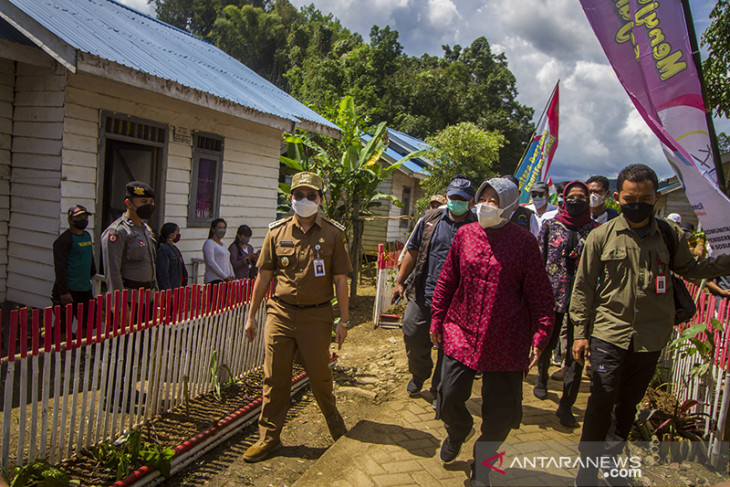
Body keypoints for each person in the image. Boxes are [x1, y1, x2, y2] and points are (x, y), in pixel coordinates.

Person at [571, 164, 730, 486]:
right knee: (601, 402)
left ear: (657, 198)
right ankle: (586, 474)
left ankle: (613, 467)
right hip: (609, 333)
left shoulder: (670, 236)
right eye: (630, 198)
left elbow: (692, 268)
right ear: (617, 198)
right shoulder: (601, 236)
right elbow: (583, 287)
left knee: (627, 407)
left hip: (651, 338)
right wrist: (579, 334)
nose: (637, 203)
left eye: (645, 197)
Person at [429, 177, 554, 485]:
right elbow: (447, 280)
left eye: (494, 200)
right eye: (482, 198)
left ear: (510, 205)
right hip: (462, 330)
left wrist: (540, 335)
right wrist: (436, 318)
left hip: (506, 338)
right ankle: (458, 430)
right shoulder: (465, 235)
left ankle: (483, 467)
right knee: (448, 396)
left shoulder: (525, 242)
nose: (485, 204)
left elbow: (539, 293)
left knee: (500, 414)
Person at [242, 171, 352, 463]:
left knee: (319, 377)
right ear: (291, 198)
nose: (304, 200)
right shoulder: (276, 233)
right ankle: (269, 438)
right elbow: (264, 276)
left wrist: (344, 320)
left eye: (311, 195)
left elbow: (341, 280)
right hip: (280, 312)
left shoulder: (333, 233)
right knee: (274, 378)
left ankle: (335, 425)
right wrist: (251, 315)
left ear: (321, 199)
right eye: (299, 195)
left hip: (317, 317)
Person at [391, 175, 477, 399]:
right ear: (447, 196)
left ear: (471, 201)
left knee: (448, 348)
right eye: (453, 197)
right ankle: (420, 373)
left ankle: (438, 389)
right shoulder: (430, 219)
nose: (456, 202)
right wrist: (400, 282)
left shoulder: (477, 226)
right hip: (424, 293)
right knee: (411, 332)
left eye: (462, 199)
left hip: (457, 301)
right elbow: (413, 250)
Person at [535, 182, 600, 427]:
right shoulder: (550, 226)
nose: (576, 201)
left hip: (583, 301)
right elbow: (539, 261)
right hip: (551, 296)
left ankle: (566, 404)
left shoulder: (596, 230)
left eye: (581, 197)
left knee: (577, 352)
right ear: (563, 199)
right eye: (571, 197)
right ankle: (541, 378)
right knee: (548, 341)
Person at [102, 181, 157, 298]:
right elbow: (113, 273)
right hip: (130, 300)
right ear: (129, 203)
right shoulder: (118, 231)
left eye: (151, 202)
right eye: (143, 202)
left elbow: (151, 265)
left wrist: (156, 294)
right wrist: (119, 306)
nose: (149, 205)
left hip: (148, 298)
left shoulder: (146, 230)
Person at [52, 205, 97, 336]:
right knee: (64, 325)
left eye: (85, 216)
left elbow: (89, 256)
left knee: (88, 323)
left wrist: (92, 272)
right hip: (68, 290)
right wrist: (64, 292)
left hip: (84, 289)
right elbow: (59, 267)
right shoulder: (63, 240)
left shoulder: (87, 236)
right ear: (70, 220)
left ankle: (79, 351)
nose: (83, 219)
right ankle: (62, 353)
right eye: (79, 217)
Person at [156, 223, 188, 290]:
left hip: (178, 286)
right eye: (177, 232)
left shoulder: (174, 248)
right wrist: (168, 290)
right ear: (171, 235)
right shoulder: (164, 250)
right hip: (171, 288)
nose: (178, 235)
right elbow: (163, 273)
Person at [203, 218, 234, 284]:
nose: (222, 230)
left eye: (224, 228)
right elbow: (211, 262)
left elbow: (228, 261)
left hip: (225, 280)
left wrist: (231, 274)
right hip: (214, 280)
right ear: (213, 229)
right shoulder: (209, 243)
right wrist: (224, 276)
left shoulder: (223, 245)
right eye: (219, 227)